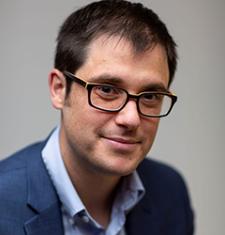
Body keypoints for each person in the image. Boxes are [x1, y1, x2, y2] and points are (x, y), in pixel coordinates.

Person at [0, 0, 194, 234]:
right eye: (107, 90)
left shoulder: (170, 192)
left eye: (150, 95)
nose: (131, 118)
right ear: (59, 90)